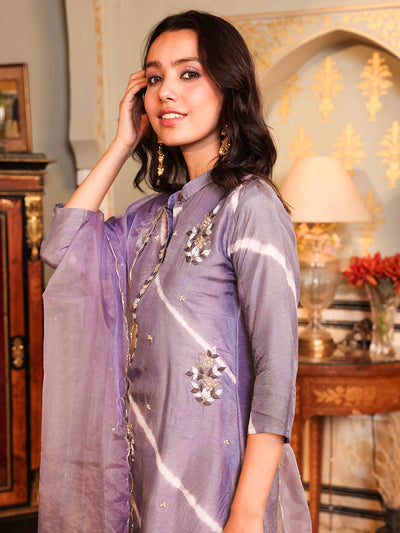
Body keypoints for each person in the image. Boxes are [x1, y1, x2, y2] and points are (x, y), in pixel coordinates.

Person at [38, 10, 311, 533]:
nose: (166, 91)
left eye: (189, 74)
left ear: (229, 88)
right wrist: (122, 142)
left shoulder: (251, 205)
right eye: (153, 78)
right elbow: (61, 248)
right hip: (144, 475)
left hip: (222, 484)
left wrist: (247, 514)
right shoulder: (146, 219)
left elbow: (277, 373)